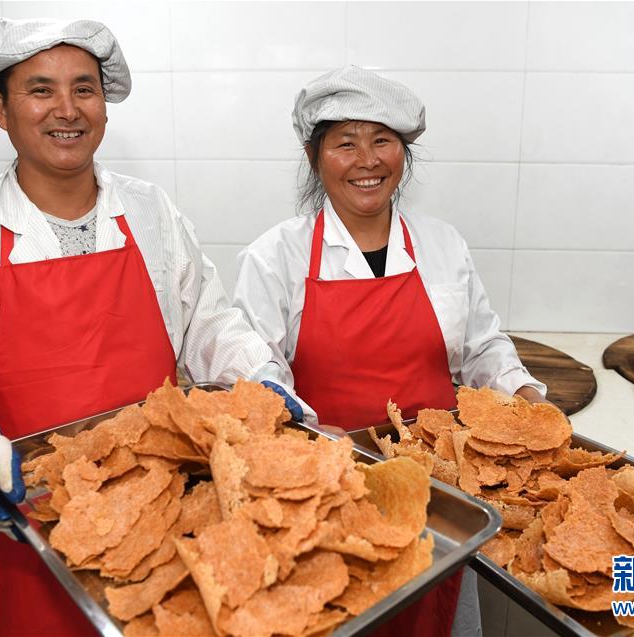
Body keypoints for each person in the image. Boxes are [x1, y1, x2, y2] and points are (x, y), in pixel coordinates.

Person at [0, 18, 299, 637]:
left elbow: (208, 323)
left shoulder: (150, 213)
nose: (67, 110)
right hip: (30, 530)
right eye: (40, 90)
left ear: (104, 103)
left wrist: (259, 376)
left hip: (166, 529)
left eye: (84, 89)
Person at [233, 65, 548, 636]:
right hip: (326, 491)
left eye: (382, 140)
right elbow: (257, 372)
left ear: (404, 153)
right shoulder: (275, 257)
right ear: (313, 157)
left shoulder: (442, 244)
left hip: (442, 497)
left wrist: (522, 392)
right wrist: (304, 431)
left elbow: (482, 346)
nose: (367, 160)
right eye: (345, 143)